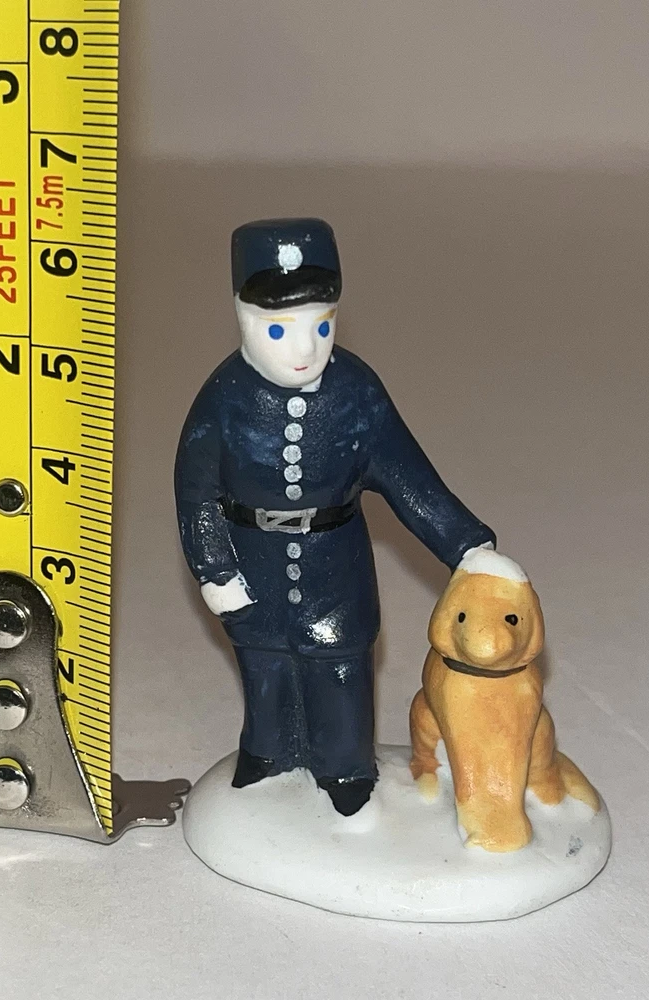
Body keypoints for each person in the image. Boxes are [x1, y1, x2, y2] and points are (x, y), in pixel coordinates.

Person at [174, 217, 496, 816]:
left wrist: (468, 547)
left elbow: (408, 477)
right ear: (242, 316)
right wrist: (216, 570)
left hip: (336, 569)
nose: (305, 350)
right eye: (279, 329)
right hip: (254, 564)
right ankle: (266, 753)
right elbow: (195, 493)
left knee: (342, 669)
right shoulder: (223, 397)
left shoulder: (356, 390)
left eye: (320, 326)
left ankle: (345, 767)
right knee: (264, 666)